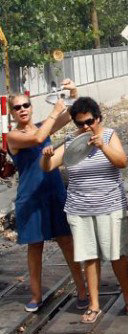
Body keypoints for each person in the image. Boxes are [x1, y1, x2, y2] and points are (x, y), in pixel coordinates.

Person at [40, 97, 128, 324]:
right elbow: (48, 167)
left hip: (110, 205)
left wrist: (102, 146)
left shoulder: (109, 135)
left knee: (117, 254)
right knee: (90, 257)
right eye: (80, 124)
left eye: (89, 121)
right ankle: (94, 304)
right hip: (80, 208)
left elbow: (122, 162)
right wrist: (46, 157)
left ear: (98, 118)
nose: (86, 127)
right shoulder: (70, 143)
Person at [7, 81, 88, 312]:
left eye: (26, 105)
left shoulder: (45, 126)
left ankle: (82, 290)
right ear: (12, 113)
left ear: (31, 107)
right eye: (17, 107)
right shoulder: (14, 137)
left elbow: (71, 115)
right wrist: (54, 112)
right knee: (35, 246)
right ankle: (36, 295)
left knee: (66, 241)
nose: (22, 109)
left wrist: (73, 92)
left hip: (54, 191)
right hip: (31, 197)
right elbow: (36, 138)